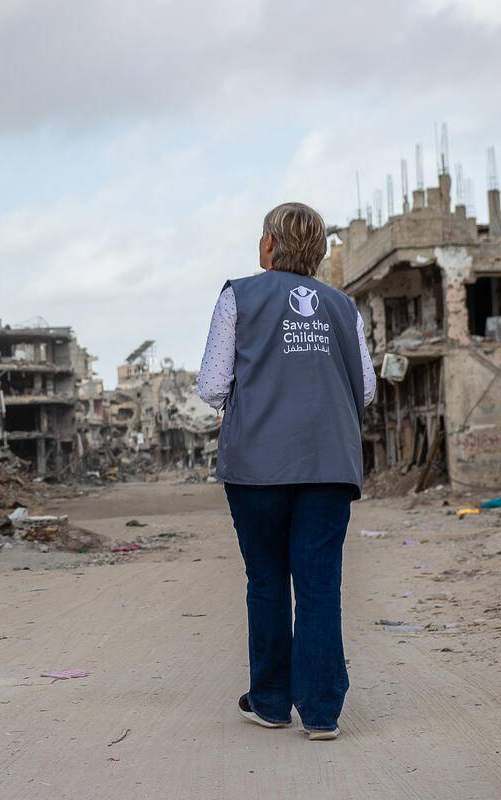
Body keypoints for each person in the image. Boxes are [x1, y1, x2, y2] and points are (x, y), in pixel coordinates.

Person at [196, 202, 376, 741]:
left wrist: (256, 395)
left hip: (256, 464)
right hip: (329, 462)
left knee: (268, 578)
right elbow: (365, 388)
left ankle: (271, 701)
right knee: (320, 583)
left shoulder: (239, 296)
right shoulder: (344, 307)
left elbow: (211, 386)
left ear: (270, 245)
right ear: (318, 253)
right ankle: (321, 713)